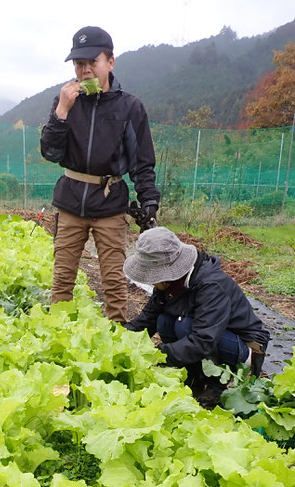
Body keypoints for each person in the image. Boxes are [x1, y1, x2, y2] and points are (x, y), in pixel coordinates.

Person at [40, 25, 160, 324]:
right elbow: (50, 153)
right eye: (79, 64)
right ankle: (59, 335)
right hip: (71, 201)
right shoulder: (65, 101)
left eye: (92, 62)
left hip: (109, 204)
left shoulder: (129, 107)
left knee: (114, 281)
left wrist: (149, 202)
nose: (85, 70)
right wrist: (62, 112)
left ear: (110, 62)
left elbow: (142, 162)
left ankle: (116, 339)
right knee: (62, 278)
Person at [123, 227, 270, 402]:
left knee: (184, 326)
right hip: (210, 336)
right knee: (164, 321)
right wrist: (120, 339)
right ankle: (195, 377)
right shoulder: (170, 285)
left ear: (166, 273)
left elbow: (203, 340)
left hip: (242, 346)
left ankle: (217, 385)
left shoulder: (211, 285)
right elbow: (148, 319)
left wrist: (156, 354)